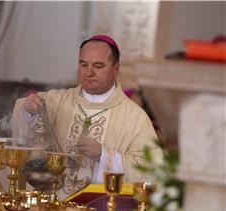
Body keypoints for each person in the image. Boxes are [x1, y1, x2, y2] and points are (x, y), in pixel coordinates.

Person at [12, 35, 161, 198]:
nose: (89, 72)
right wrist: (29, 110)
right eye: (83, 65)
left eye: (98, 66)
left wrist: (104, 156)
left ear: (115, 69)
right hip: (50, 204)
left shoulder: (134, 117)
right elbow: (22, 116)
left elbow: (151, 169)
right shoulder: (57, 101)